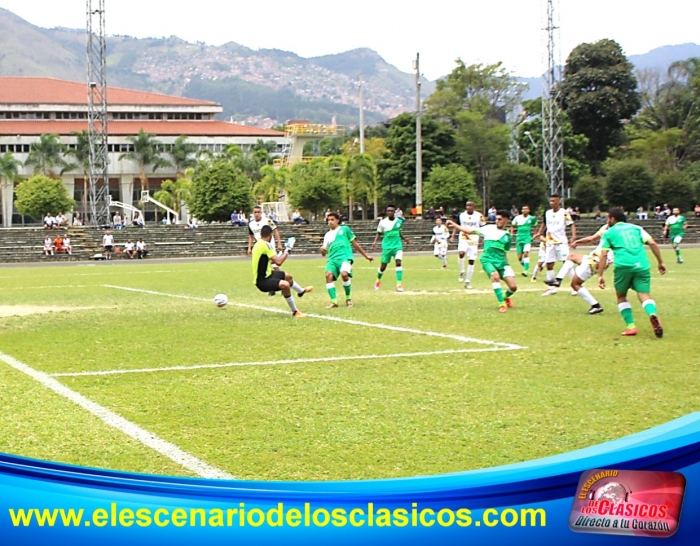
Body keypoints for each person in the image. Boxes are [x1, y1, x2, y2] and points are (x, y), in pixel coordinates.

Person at [598, 208, 666, 337]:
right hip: (642, 265)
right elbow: (652, 242)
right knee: (644, 295)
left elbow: (604, 255)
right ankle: (652, 313)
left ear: (612, 219)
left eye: (608, 218)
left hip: (623, 266)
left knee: (621, 296)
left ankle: (631, 327)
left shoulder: (608, 232)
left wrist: (600, 275)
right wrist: (660, 262)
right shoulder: (637, 228)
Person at [447, 210, 518, 313]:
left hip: (502, 262)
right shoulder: (488, 229)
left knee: (513, 287)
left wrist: (507, 265)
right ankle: (501, 304)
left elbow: (505, 252)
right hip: (487, 260)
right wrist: (454, 224)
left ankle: (504, 297)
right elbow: (469, 231)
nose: (497, 221)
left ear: (506, 220)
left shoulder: (507, 236)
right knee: (495, 277)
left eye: (500, 219)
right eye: (496, 219)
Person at [544, 225, 613, 314]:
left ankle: (596, 306)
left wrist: (577, 242)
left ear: (612, 219)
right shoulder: (612, 229)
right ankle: (558, 279)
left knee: (575, 284)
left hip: (596, 261)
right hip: (594, 258)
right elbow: (592, 238)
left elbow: (591, 239)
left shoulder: (609, 231)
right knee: (572, 257)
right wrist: (577, 242)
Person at [251, 225, 312, 317]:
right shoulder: (266, 245)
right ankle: (295, 311)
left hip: (268, 274)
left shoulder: (258, 244)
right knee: (285, 285)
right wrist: (287, 250)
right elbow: (278, 262)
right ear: (271, 234)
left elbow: (270, 260)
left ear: (260, 234)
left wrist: (279, 254)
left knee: (288, 276)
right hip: (262, 281)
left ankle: (301, 291)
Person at [320, 212, 373, 308]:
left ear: (337, 220)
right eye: (328, 220)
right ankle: (334, 302)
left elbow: (355, 244)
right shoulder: (327, 235)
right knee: (328, 276)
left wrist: (366, 256)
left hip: (345, 258)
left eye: (332, 219)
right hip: (332, 259)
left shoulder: (345, 229)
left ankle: (348, 299)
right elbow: (324, 253)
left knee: (344, 274)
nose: (330, 222)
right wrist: (322, 250)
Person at [535, 193, 577, 296]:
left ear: (559, 202)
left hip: (561, 242)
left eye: (554, 201)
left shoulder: (564, 213)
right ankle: (551, 288)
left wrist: (574, 236)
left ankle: (575, 287)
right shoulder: (548, 213)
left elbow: (571, 225)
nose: (551, 203)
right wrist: (539, 233)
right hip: (550, 242)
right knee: (549, 263)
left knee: (566, 263)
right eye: (550, 201)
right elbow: (544, 223)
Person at [372, 205, 410, 292]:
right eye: (388, 211)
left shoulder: (399, 222)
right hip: (387, 247)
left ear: (394, 212)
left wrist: (405, 239)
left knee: (398, 262)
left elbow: (399, 232)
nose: (390, 212)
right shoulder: (383, 222)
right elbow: (379, 233)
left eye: (391, 211)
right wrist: (375, 242)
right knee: (383, 267)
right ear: (386, 212)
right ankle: (378, 280)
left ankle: (399, 284)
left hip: (397, 246)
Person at [450, 200, 484, 289]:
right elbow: (457, 226)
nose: (468, 207)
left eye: (470, 205)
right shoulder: (461, 215)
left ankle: (467, 281)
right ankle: (462, 271)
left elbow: (483, 227)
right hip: (463, 237)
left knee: (471, 260)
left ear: (474, 206)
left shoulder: (479, 216)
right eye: (467, 206)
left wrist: (482, 238)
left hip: (474, 239)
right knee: (461, 253)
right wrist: (453, 236)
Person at [510, 205, 538, 277]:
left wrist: (535, 234)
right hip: (519, 238)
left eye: (526, 209)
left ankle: (525, 271)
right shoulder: (517, 218)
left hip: (527, 238)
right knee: (519, 258)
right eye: (523, 209)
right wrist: (512, 233)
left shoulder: (532, 218)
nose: (524, 210)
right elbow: (513, 226)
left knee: (526, 254)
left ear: (529, 210)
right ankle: (526, 265)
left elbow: (535, 226)